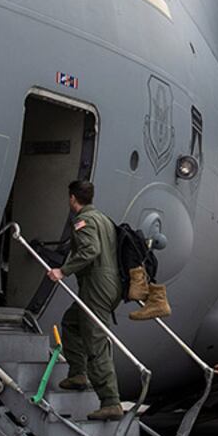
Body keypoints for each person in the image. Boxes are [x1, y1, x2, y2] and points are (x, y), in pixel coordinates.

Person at [47, 179, 123, 421]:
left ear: (72, 198)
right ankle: (78, 373)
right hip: (109, 285)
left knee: (95, 340)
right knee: (71, 322)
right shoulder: (104, 219)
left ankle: (110, 401)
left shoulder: (84, 221)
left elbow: (90, 251)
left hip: (96, 286)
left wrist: (63, 270)